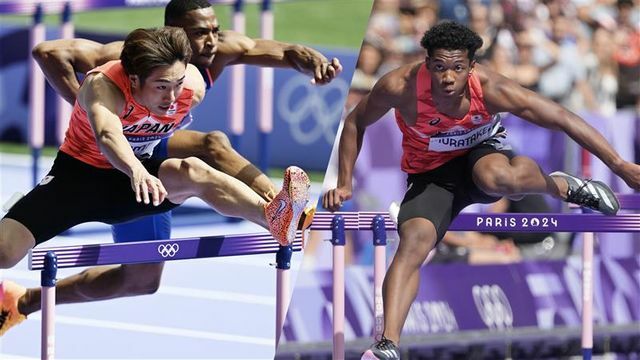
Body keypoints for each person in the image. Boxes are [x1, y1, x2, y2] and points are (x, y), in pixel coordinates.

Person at [0, 0, 343, 336]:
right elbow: (105, 131)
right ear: (136, 77)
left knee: (188, 182)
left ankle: (276, 216)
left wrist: (307, 57)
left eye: (177, 85)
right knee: (5, 251)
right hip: (82, 177)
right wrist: (89, 109)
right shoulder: (106, 79)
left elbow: (273, 51)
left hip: (141, 177)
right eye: (162, 87)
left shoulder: (192, 82)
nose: (171, 97)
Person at [323, 21, 640, 360]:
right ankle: (388, 345)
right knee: (413, 241)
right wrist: (345, 181)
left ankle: (562, 185)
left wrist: (619, 164)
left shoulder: (490, 88)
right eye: (440, 67)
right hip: (431, 175)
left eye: (458, 68)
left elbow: (561, 116)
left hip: (483, 156)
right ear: (427, 63)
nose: (447, 78)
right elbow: (355, 122)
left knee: (499, 178)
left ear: (471, 67)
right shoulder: (399, 86)